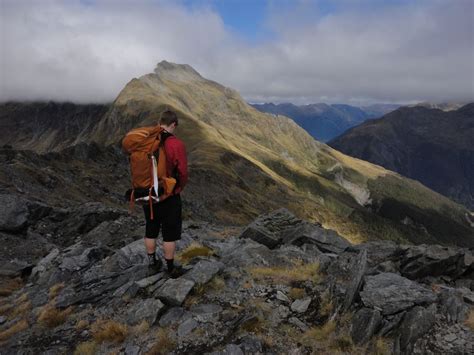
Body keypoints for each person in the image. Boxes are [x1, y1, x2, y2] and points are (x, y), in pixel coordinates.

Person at [144, 109, 188, 278]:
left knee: (151, 227)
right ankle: (170, 268)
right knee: (169, 232)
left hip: (148, 193)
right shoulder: (176, 144)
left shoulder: (147, 140)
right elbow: (182, 172)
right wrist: (178, 188)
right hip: (168, 195)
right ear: (173, 124)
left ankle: (152, 263)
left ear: (159, 123)